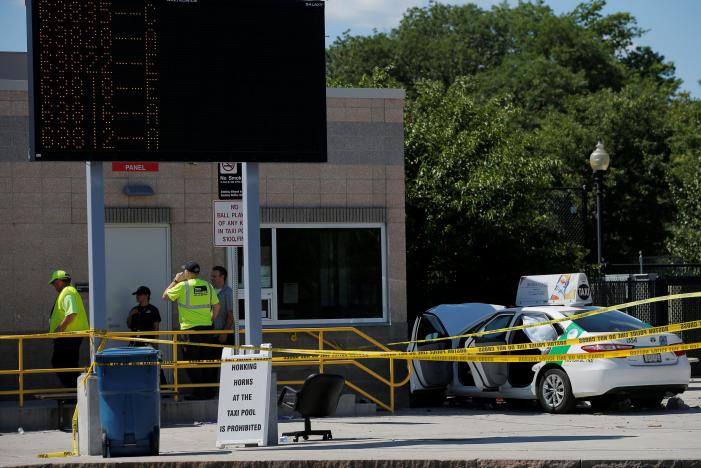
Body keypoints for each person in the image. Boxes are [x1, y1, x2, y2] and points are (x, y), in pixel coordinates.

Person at [162, 261, 220, 399]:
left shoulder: (182, 285)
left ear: (187, 273)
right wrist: (210, 320)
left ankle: (200, 392)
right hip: (207, 329)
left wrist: (176, 280)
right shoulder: (207, 285)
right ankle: (207, 391)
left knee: (191, 362)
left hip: (190, 330)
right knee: (206, 360)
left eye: (184, 272)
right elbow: (217, 306)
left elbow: (165, 296)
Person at [48, 270, 90, 389]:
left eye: (55, 282)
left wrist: (59, 330)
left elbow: (71, 314)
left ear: (61, 281)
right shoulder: (69, 292)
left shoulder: (67, 292)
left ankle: (75, 391)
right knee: (68, 364)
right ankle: (76, 392)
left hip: (68, 335)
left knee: (60, 363)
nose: (54, 286)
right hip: (70, 335)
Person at [210, 266, 234, 345]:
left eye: (214, 276)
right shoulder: (210, 291)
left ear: (222, 277)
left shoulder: (228, 292)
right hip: (211, 333)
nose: (212, 278)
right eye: (212, 276)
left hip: (223, 334)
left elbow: (231, 314)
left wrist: (224, 333)